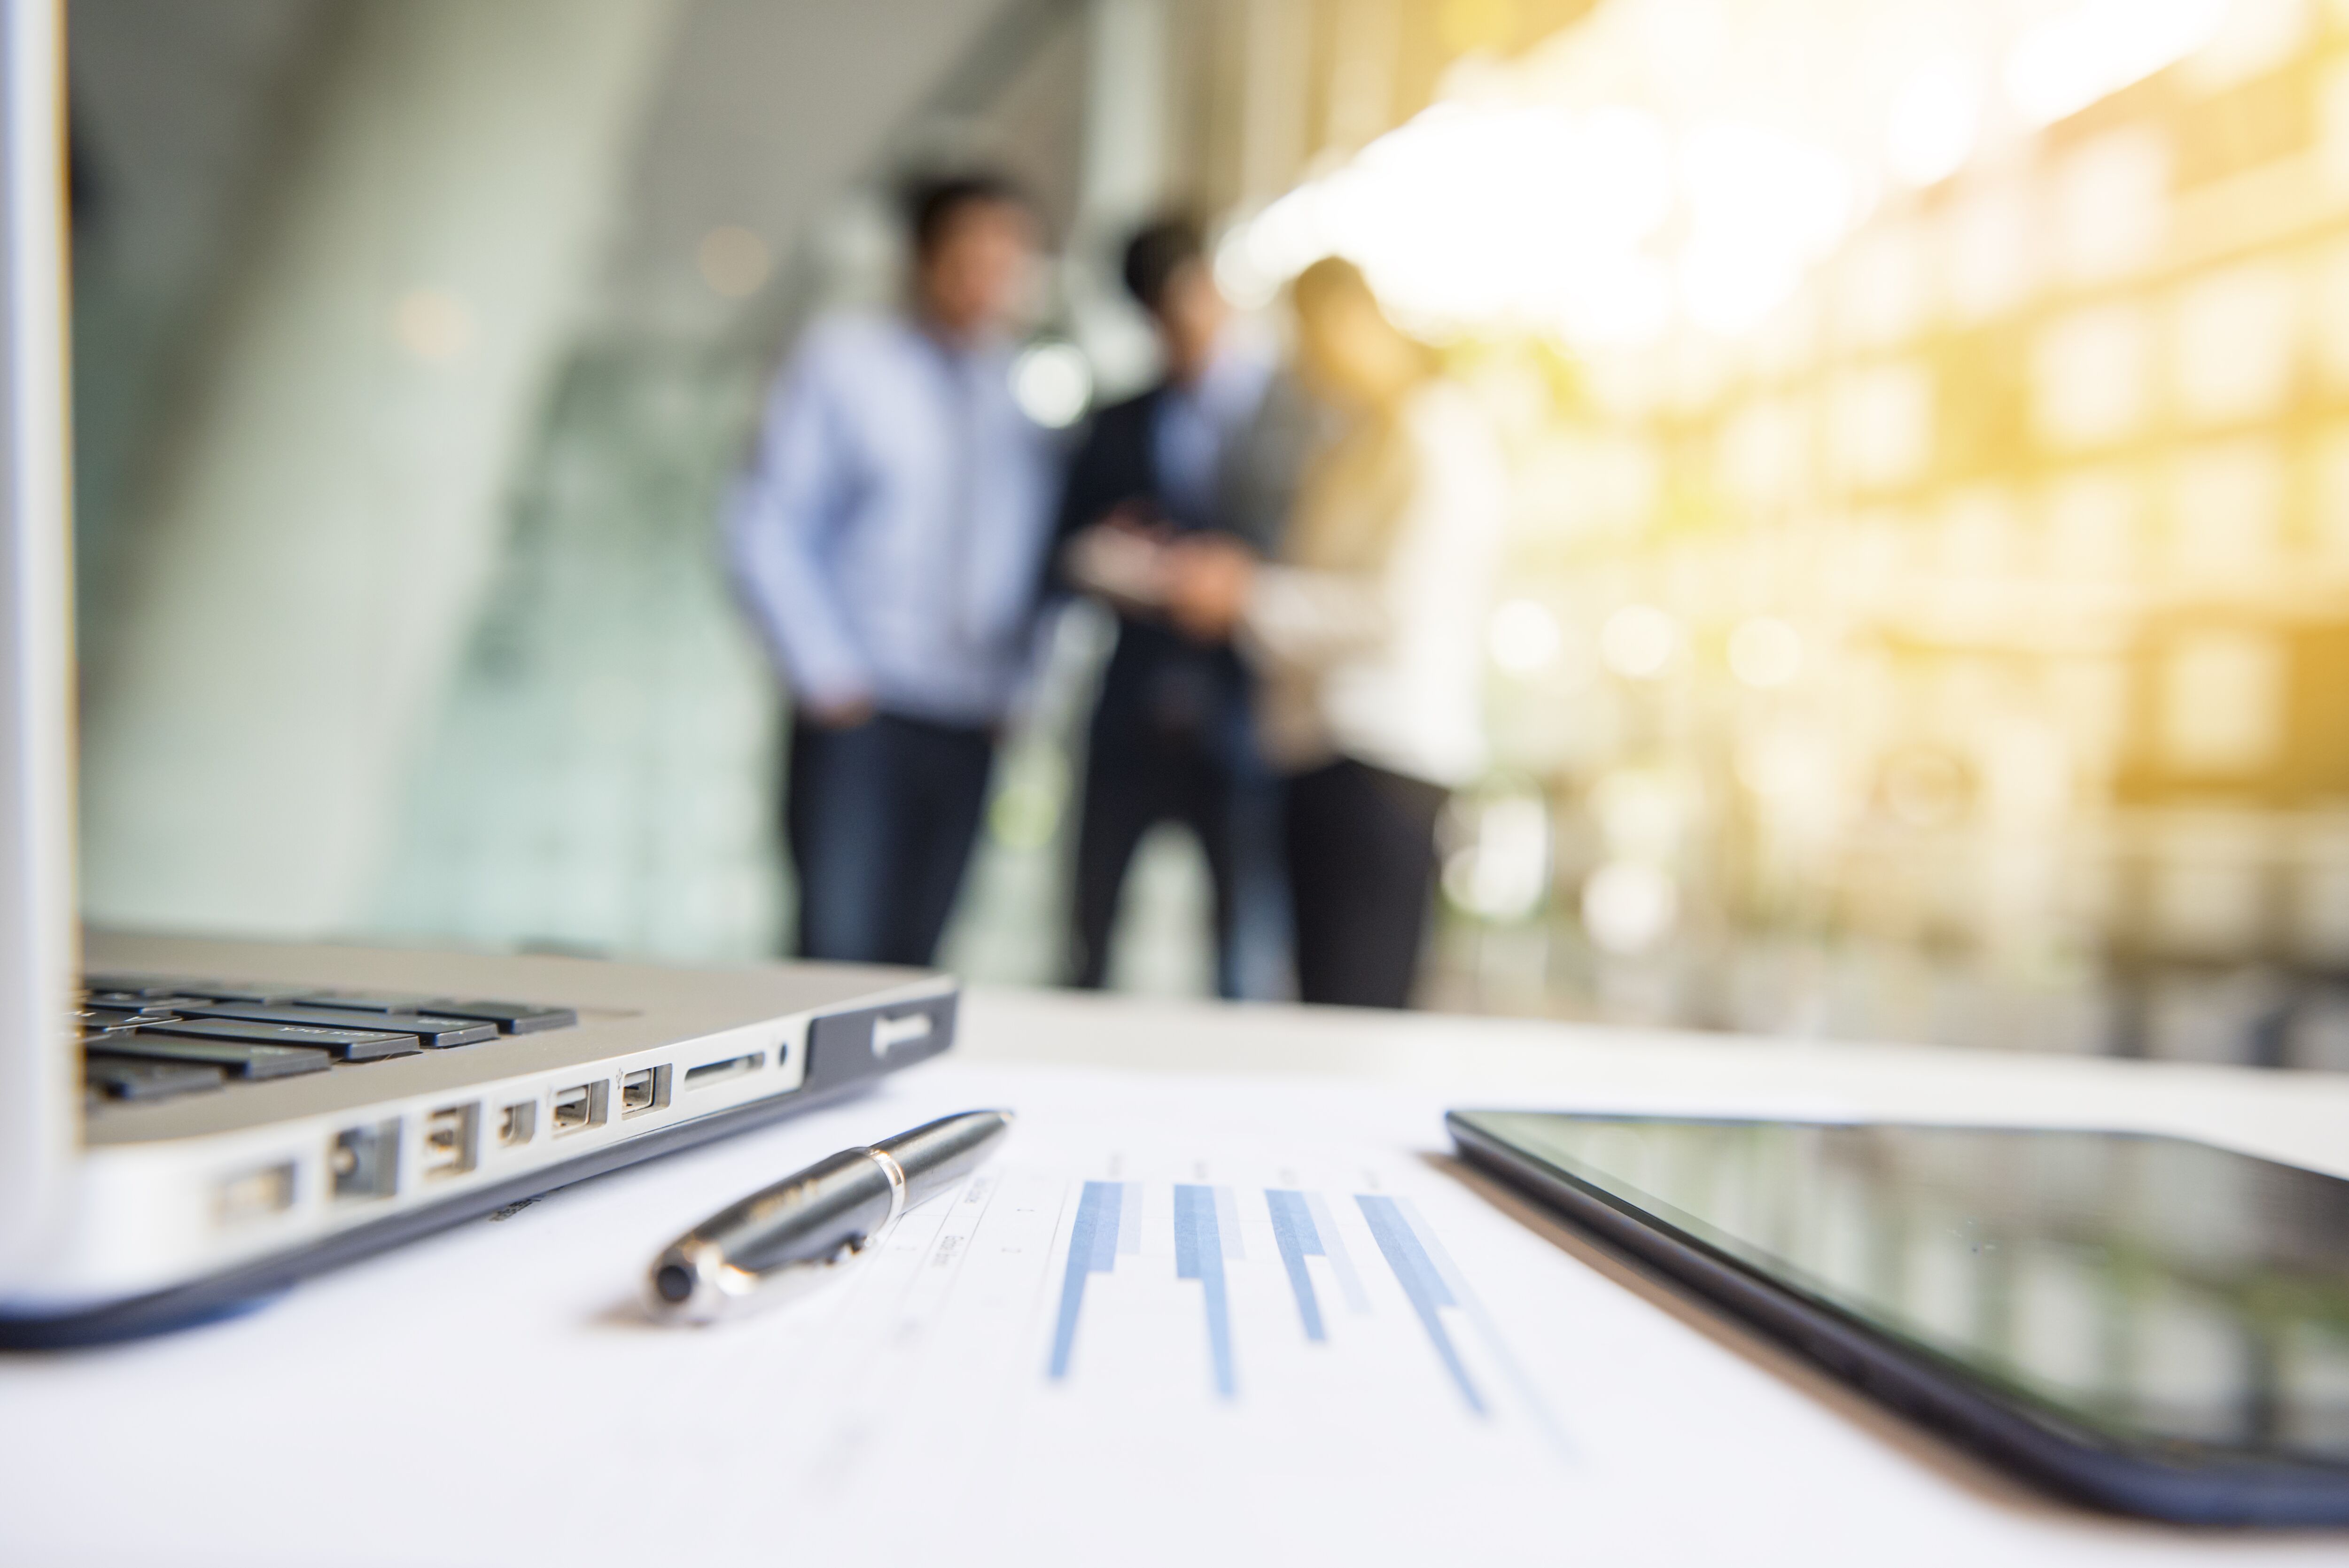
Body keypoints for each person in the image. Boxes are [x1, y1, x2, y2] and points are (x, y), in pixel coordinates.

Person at [1162, 256, 1508, 1009]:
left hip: (1383, 760)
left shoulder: (1437, 436)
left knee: (1359, 1003)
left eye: (1314, 338)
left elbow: (1396, 612)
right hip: (1315, 749)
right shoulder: (1350, 444)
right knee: (1320, 998)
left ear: (1361, 320)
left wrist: (1248, 595)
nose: (1306, 362)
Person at [727, 172, 1054, 967]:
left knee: (921, 958)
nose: (989, 280)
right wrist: (826, 675)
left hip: (970, 718)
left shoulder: (1021, 390)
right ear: (921, 257)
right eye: (970, 257)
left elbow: (1038, 554)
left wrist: (1023, 689)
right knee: (836, 950)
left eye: (1008, 261)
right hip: (861, 708)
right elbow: (764, 519)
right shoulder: (844, 360)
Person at [1053, 217, 1319, 999]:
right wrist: (1134, 568)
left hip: (1242, 715)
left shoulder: (1295, 415)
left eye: (1198, 296)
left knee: (1242, 943)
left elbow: (1314, 548)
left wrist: (1239, 580)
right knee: (1090, 934)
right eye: (1167, 309)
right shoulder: (1118, 422)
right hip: (1130, 710)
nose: (1191, 322)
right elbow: (1069, 549)